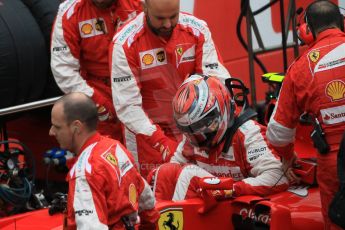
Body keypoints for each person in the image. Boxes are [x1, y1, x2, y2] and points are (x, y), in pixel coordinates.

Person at [109, 0, 231, 176]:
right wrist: (161, 142)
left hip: (196, 132)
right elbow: (128, 106)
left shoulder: (197, 30)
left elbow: (217, 82)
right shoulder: (124, 43)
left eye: (173, 16)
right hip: (148, 139)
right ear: (144, 8)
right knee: (157, 197)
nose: (167, 24)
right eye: (160, 18)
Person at [266, 1, 345, 229]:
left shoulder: (300, 68)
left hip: (334, 161)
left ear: (306, 31)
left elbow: (278, 133)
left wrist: (287, 156)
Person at [149, 74, 288, 202]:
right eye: (190, 132)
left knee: (188, 174)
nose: (196, 138)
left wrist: (231, 189)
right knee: (163, 172)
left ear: (220, 113)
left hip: (239, 206)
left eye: (201, 129)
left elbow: (277, 176)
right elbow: (173, 170)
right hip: (213, 205)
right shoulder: (193, 137)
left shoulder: (248, 133)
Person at [49, 92, 159, 229]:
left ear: (76, 127)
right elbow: (146, 200)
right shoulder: (116, 147)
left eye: (57, 127)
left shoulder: (85, 172)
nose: (51, 132)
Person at [50, 0, 142, 141]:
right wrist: (95, 99)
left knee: (144, 148)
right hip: (97, 91)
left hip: (138, 87)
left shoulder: (139, 4)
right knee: (104, 151)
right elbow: (63, 70)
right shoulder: (69, 12)